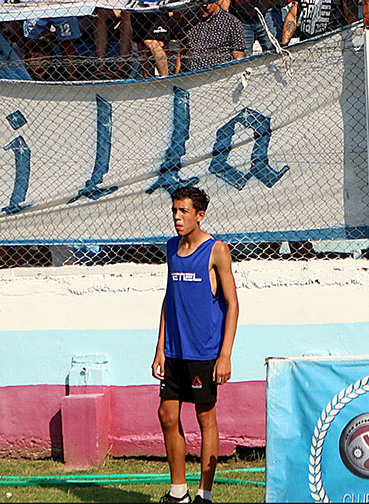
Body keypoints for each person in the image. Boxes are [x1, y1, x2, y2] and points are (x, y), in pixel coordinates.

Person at [153, 185, 238, 504]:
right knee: (167, 415)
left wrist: (225, 354)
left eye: (183, 211)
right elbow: (169, 298)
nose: (177, 217)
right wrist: (160, 347)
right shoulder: (171, 247)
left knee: (205, 418)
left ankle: (204, 493)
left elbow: (232, 304)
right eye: (174, 210)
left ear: (199, 215)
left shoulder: (217, 250)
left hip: (204, 352)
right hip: (174, 351)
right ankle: (178, 492)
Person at [177, 0, 247, 72]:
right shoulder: (189, 19)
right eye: (198, 5)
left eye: (205, 5)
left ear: (215, 0)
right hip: (189, 75)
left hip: (218, 75)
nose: (201, 9)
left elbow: (238, 54)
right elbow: (182, 51)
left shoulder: (231, 22)